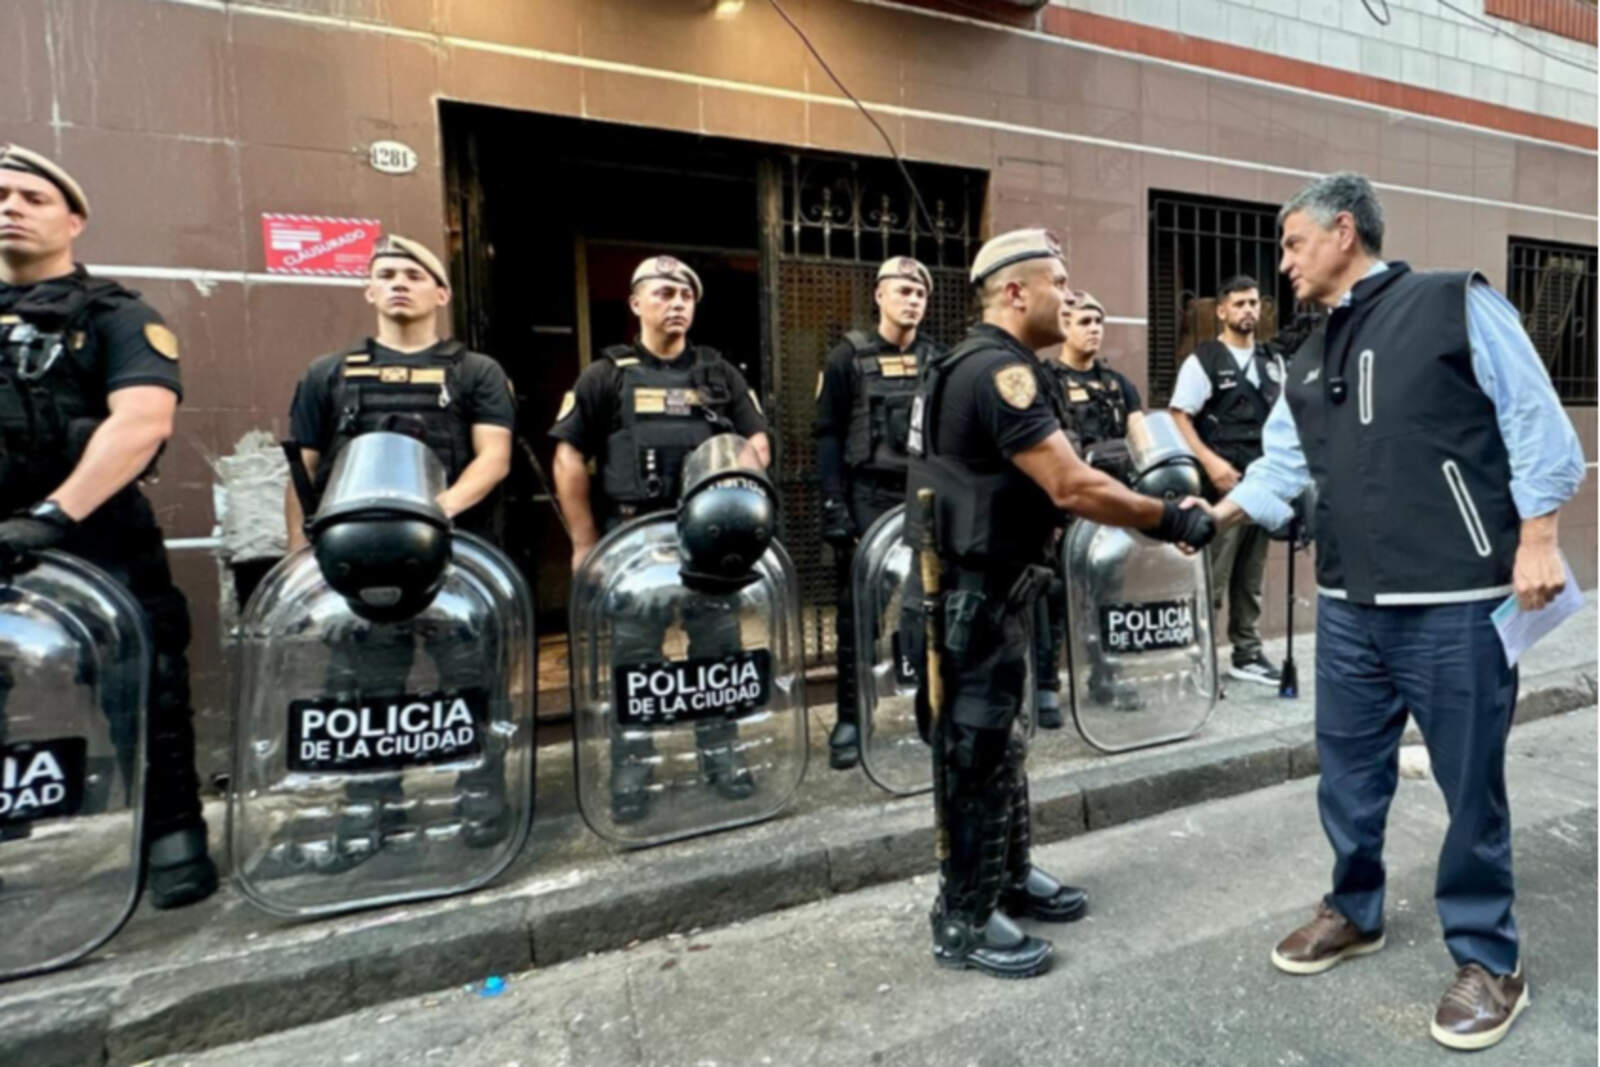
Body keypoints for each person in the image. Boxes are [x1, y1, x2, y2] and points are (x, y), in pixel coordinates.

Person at [1201, 173, 1584, 1051]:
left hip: (1456, 600)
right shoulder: (1305, 355)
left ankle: (1491, 957)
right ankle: (1356, 907)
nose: (1284, 263)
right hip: (1347, 606)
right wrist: (1207, 516)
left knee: (1468, 782)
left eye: (1294, 244)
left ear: (1344, 230)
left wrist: (1539, 538)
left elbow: (1536, 423)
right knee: (1348, 773)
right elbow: (1279, 470)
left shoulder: (1454, 304)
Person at [907, 229, 1215, 978]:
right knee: (975, 754)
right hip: (971, 601)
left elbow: (1074, 468)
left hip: (1001, 592)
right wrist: (1168, 516)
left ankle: (1007, 878)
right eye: (1058, 281)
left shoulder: (1006, 366)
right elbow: (1071, 484)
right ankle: (965, 915)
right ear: (1015, 292)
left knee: (1004, 747)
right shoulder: (994, 374)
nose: (1071, 295)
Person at [0, 145, 215, 907]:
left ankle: (172, 837)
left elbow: (143, 420)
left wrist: (52, 516)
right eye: (1, 194)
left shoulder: (115, 314)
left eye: (31, 195)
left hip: (94, 532)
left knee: (146, 687)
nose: (11, 206)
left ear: (74, 217)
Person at [285, 234, 518, 855]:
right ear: (368, 289)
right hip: (354, 568)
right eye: (386, 273)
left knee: (469, 683)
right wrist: (306, 566)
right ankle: (369, 803)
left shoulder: (475, 372)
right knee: (365, 691)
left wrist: (432, 513)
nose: (398, 283)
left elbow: (492, 461)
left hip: (451, 558)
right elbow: (305, 475)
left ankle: (479, 790)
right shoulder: (328, 374)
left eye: (414, 275)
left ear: (440, 293)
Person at [550, 255, 772, 823]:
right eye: (664, 292)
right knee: (637, 662)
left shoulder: (718, 373)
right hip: (634, 539)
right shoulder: (607, 374)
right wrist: (583, 542)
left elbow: (758, 442)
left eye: (686, 295)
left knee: (719, 655)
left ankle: (721, 756)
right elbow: (569, 456)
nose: (676, 303)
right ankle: (633, 767)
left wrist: (742, 493)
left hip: (710, 542)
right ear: (636, 303)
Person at [813, 256, 943, 768]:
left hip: (924, 498)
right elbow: (827, 435)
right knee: (857, 614)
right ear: (879, 296)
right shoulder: (848, 357)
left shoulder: (939, 358)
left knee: (926, 609)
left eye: (919, 292)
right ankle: (851, 716)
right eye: (902, 290)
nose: (911, 299)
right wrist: (833, 504)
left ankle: (930, 711)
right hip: (868, 495)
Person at [1035, 292, 1148, 721]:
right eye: (1084, 321)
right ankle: (1047, 685)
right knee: (1053, 599)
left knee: (1108, 596)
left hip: (1109, 507)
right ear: (1065, 325)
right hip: (1062, 509)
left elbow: (1142, 442)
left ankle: (1105, 677)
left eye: (1098, 321)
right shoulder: (1046, 380)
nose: (1094, 328)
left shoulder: (1118, 384)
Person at [1168, 275, 1285, 686]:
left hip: (1262, 481)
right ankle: (1199, 657)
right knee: (1213, 575)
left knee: (1250, 577)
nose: (1247, 310)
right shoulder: (1204, 359)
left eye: (1253, 303)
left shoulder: (1273, 361)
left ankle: (1247, 652)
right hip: (1222, 484)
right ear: (1221, 310)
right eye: (1238, 304)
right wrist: (1211, 463)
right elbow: (1179, 415)